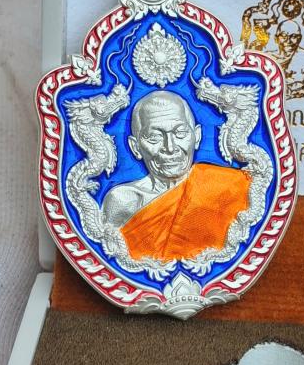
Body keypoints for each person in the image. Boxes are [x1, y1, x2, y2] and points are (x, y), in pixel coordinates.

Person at [102, 90, 251, 262]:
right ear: (135, 147)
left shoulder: (229, 187)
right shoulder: (122, 200)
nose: (170, 147)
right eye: (154, 137)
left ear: (197, 137)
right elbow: (110, 257)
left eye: (180, 133)